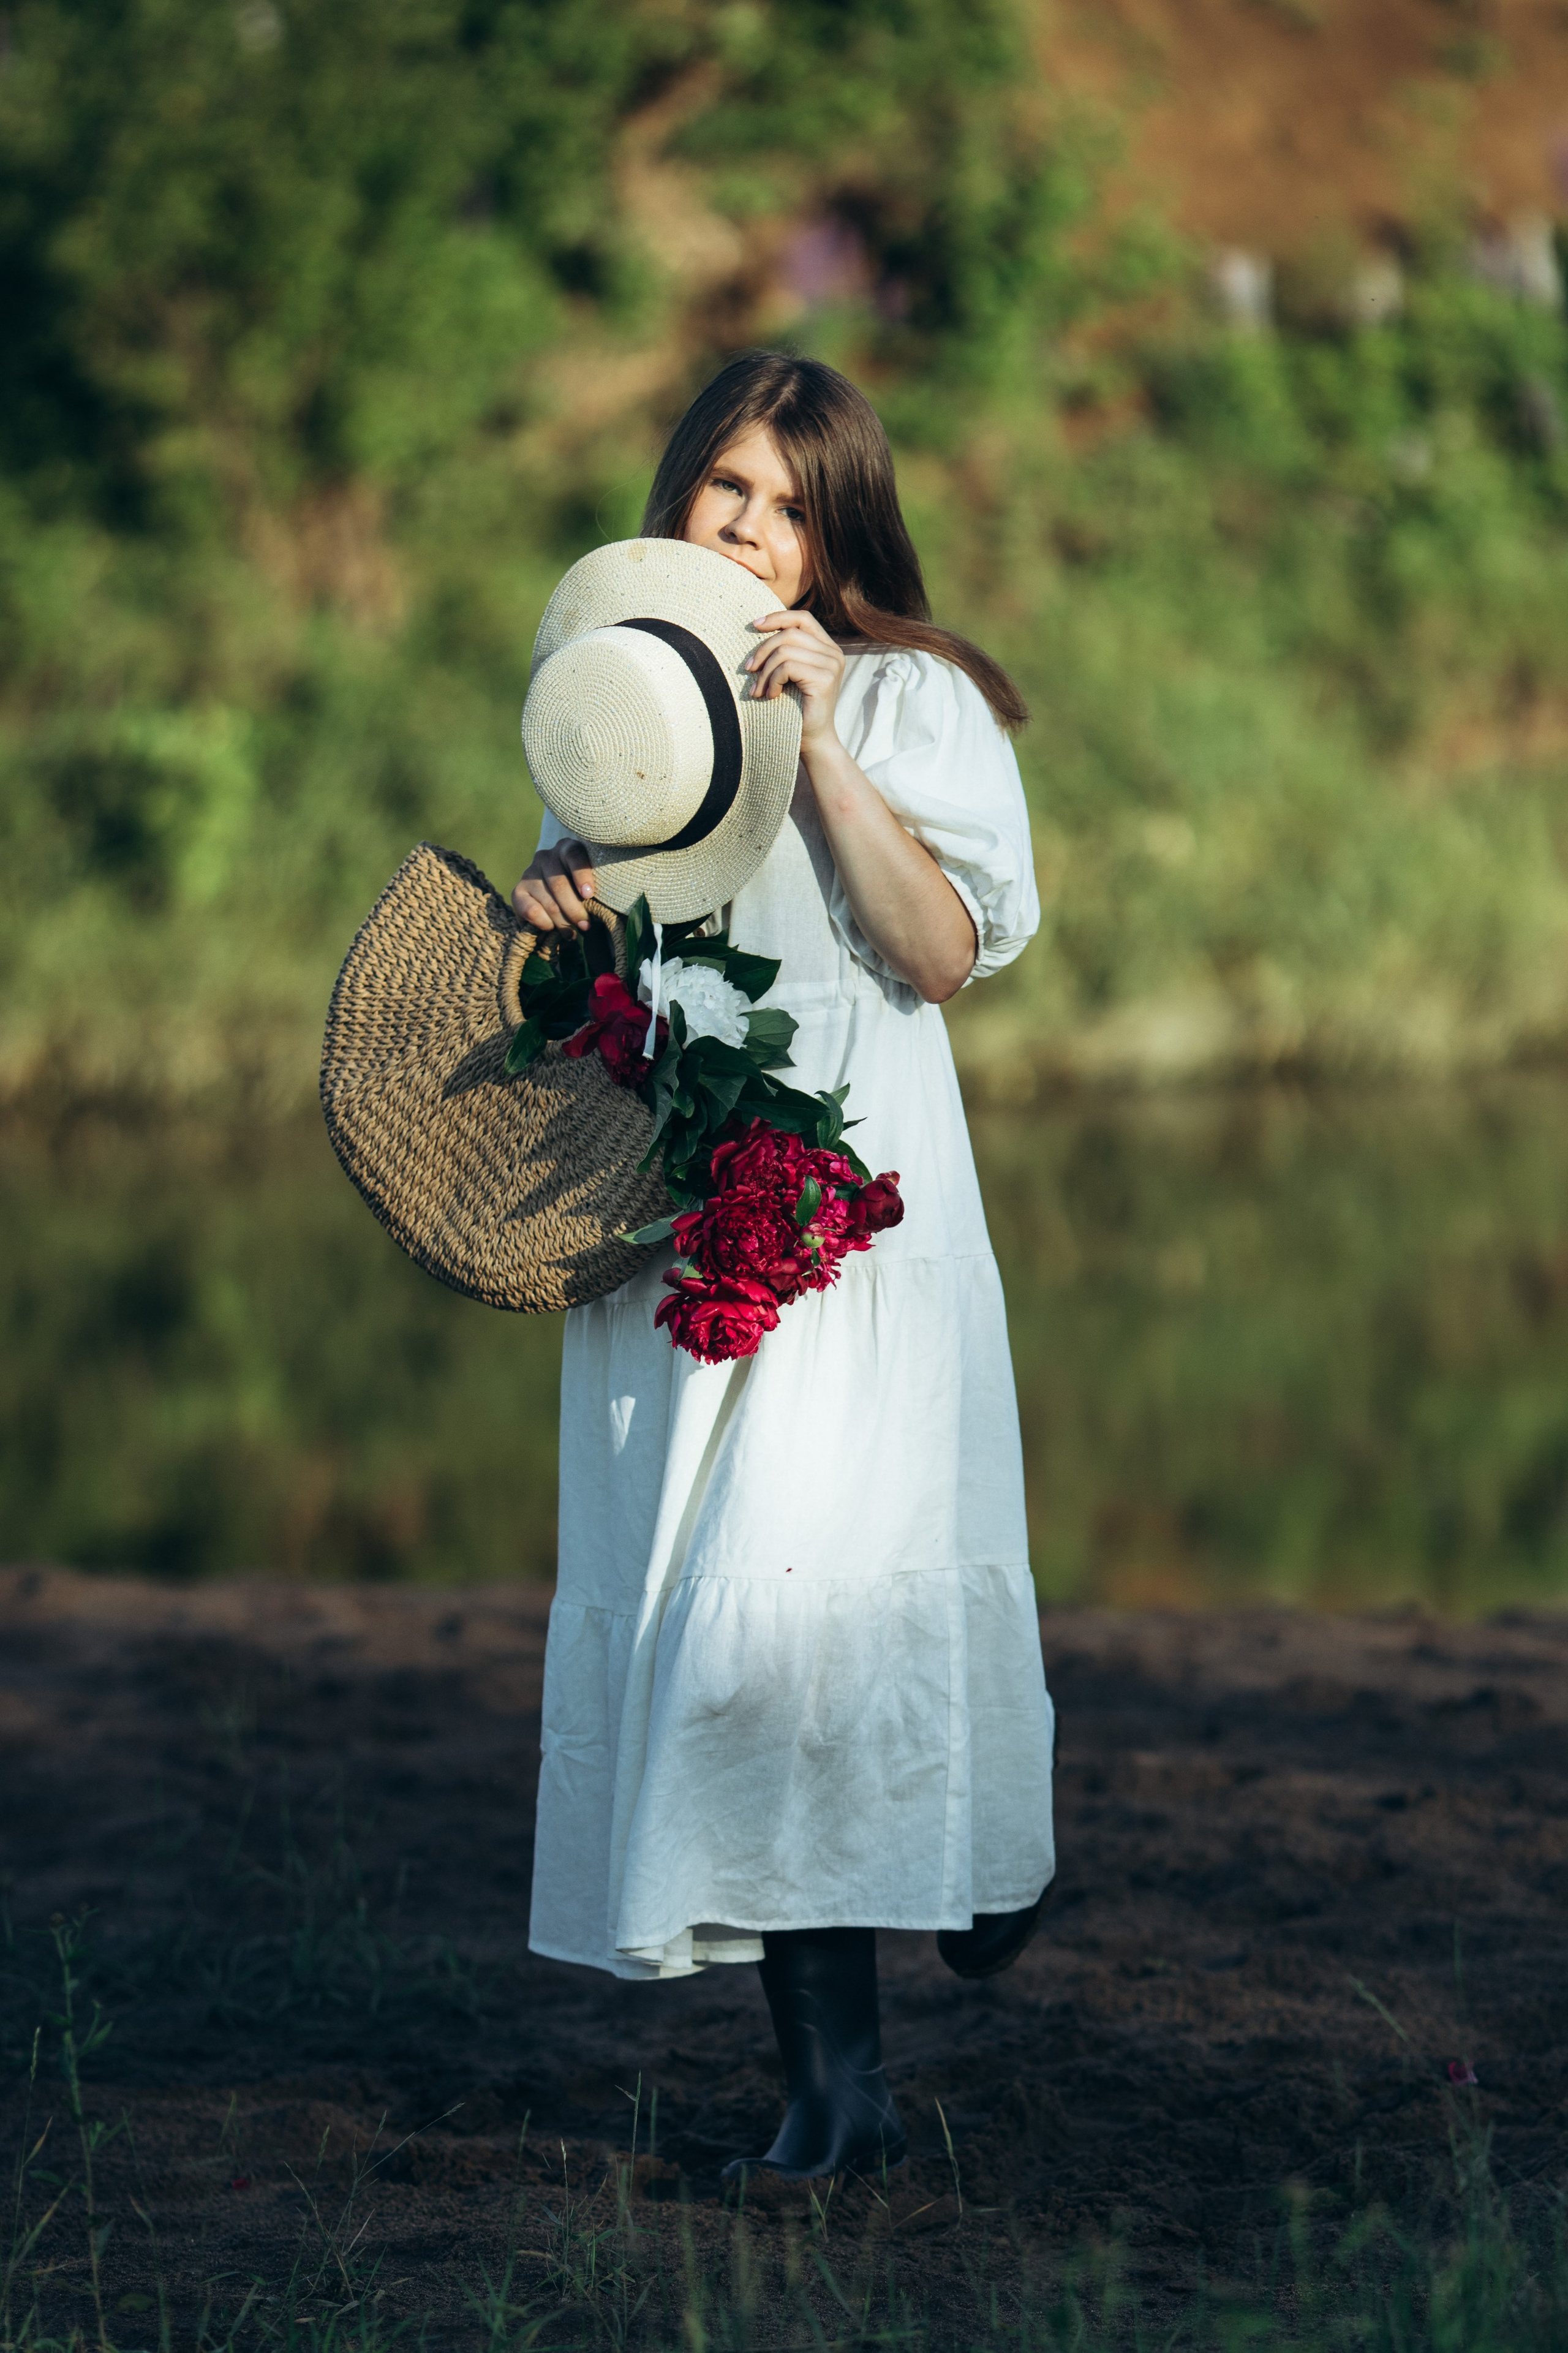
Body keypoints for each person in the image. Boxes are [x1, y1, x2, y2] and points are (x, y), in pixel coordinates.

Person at [512, 352, 1055, 2185]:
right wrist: (557, 925)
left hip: (858, 1223)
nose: (749, 529)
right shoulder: (628, 714)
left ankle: (985, 1857)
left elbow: (941, 954)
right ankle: (840, 2083)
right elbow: (611, 1011)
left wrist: (822, 741)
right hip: (688, 1231)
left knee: (825, 1599)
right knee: (737, 1631)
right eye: (725, 488)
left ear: (839, 533)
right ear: (679, 491)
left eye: (789, 505)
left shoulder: (910, 696)